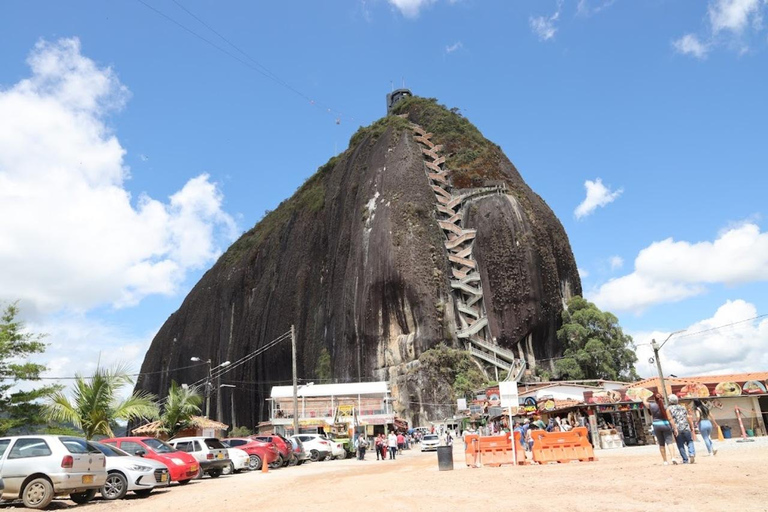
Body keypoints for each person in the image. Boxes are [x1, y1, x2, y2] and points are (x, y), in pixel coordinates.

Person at [645, 393, 678, 465]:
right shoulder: (666, 407)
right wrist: (675, 428)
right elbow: (670, 418)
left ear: (654, 399)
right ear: (662, 399)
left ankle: (665, 461)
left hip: (656, 425)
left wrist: (645, 397)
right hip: (665, 424)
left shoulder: (652, 406)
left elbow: (645, 403)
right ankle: (673, 457)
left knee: (661, 443)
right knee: (669, 442)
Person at [668, 394, 696, 464]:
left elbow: (670, 419)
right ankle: (691, 453)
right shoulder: (683, 407)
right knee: (689, 441)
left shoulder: (669, 409)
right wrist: (691, 426)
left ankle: (685, 459)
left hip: (677, 427)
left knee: (680, 444)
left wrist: (674, 428)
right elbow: (688, 417)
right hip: (685, 426)